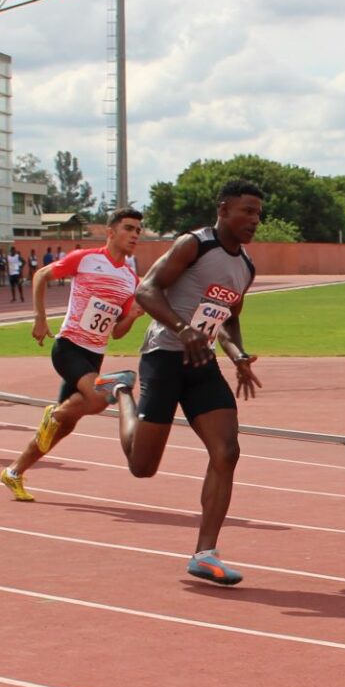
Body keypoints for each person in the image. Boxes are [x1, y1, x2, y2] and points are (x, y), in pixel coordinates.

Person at [106, 180, 263, 584]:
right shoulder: (194, 244)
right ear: (224, 208)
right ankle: (121, 391)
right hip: (163, 357)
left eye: (259, 214)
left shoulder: (245, 266)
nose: (254, 220)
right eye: (247, 211)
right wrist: (183, 328)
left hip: (202, 363)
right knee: (142, 468)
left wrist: (238, 355)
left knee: (227, 450)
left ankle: (205, 553)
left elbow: (228, 316)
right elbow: (146, 291)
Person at [0, 208, 145, 501]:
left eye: (138, 231)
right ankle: (57, 412)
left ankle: (14, 472)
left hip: (95, 354)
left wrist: (132, 316)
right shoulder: (87, 259)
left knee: (64, 426)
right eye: (129, 228)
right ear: (111, 232)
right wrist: (40, 318)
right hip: (68, 346)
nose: (134, 235)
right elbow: (41, 275)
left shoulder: (131, 280)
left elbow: (117, 332)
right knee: (98, 396)